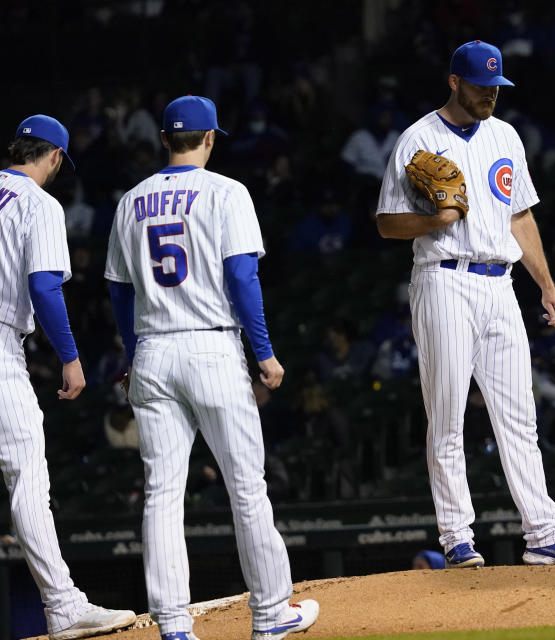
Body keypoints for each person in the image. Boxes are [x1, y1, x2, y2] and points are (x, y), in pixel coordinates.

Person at [375, 40, 555, 567]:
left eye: (496, 87)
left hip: (500, 283)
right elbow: (387, 223)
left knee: (520, 415)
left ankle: (545, 535)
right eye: (481, 86)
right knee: (448, 414)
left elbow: (519, 217)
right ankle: (457, 537)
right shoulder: (418, 138)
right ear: (454, 81)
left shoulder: (505, 135)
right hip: (444, 279)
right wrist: (434, 221)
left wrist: (546, 284)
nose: (490, 96)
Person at [104, 95, 318, 638]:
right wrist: (264, 352)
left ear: (163, 139)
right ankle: (271, 615)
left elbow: (119, 292)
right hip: (211, 346)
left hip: (153, 350)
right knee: (246, 488)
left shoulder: (131, 200)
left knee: (161, 494)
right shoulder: (227, 192)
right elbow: (243, 277)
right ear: (210, 138)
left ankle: (174, 626)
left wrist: (133, 356)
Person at [0, 116, 136, 638]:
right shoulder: (40, 204)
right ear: (54, 157)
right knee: (27, 475)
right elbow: (44, 286)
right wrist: (71, 356)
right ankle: (62, 605)